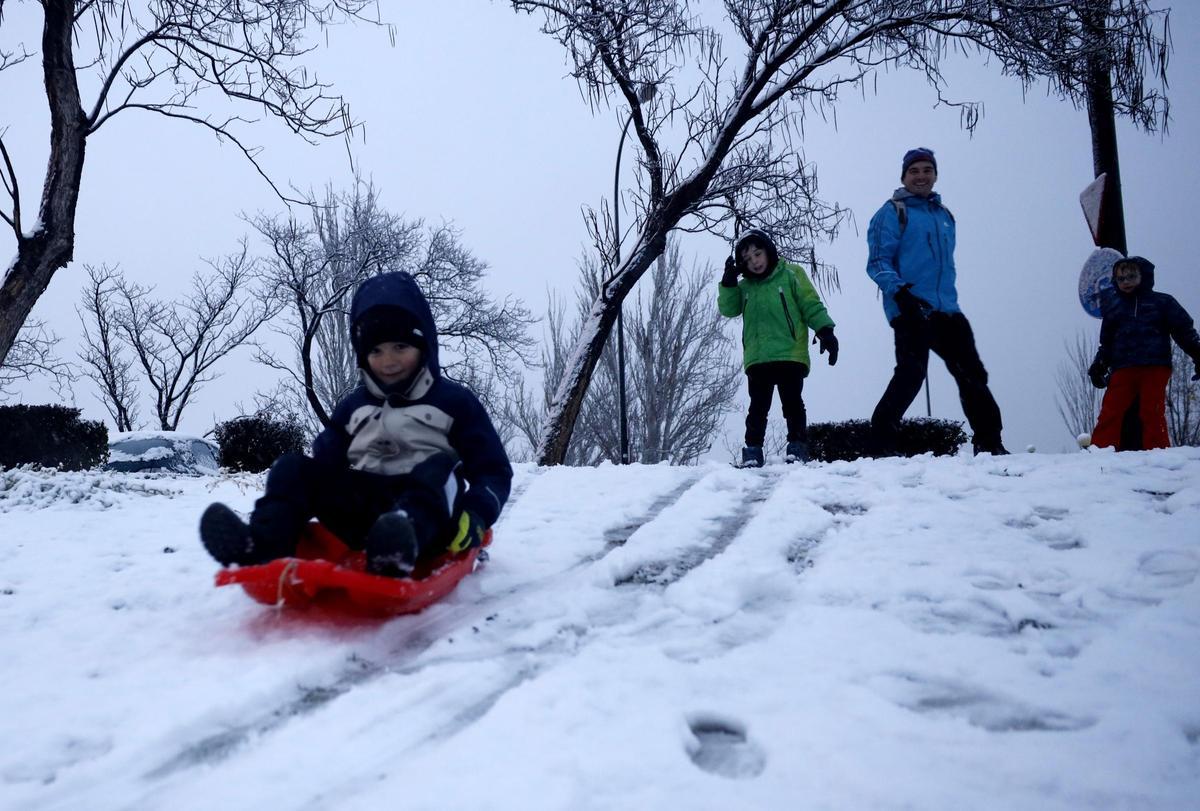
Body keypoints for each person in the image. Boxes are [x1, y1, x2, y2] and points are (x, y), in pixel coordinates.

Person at [199, 271, 512, 577]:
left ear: (423, 345)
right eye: (376, 351)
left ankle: (397, 547)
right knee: (291, 468)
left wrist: (476, 514)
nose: (388, 361)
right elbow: (325, 464)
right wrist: (306, 486)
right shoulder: (354, 407)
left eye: (400, 347)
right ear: (362, 357)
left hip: (429, 520)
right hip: (364, 514)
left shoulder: (454, 401)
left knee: (439, 470)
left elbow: (492, 471)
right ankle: (262, 544)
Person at [865, 147, 1007, 457]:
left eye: (927, 170)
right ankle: (880, 444)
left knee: (972, 374)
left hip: (948, 309)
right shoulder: (892, 212)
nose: (921, 176)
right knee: (911, 374)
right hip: (910, 306)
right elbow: (877, 262)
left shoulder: (945, 216)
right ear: (904, 176)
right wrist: (900, 293)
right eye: (914, 171)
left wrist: (948, 304)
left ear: (935, 175)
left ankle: (989, 442)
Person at [718, 228, 837, 467]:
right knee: (757, 408)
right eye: (748, 259)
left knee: (792, 403)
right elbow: (728, 309)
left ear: (768, 250)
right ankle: (752, 452)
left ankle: (797, 447)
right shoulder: (745, 287)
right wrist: (729, 283)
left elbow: (810, 304)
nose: (754, 262)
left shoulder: (792, 274)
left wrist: (825, 331)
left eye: (758, 254)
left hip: (789, 353)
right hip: (759, 357)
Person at [1087, 255, 1200, 450]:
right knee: (1111, 410)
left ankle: (1158, 451)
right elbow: (1107, 343)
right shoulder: (1114, 308)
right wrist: (1099, 365)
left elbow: (1184, 331)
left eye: (1132, 276)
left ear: (1144, 277)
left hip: (1154, 365)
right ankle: (1101, 450)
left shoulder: (1162, 302)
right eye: (1121, 279)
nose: (1126, 282)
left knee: (1151, 410)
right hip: (1123, 367)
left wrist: (1197, 354)